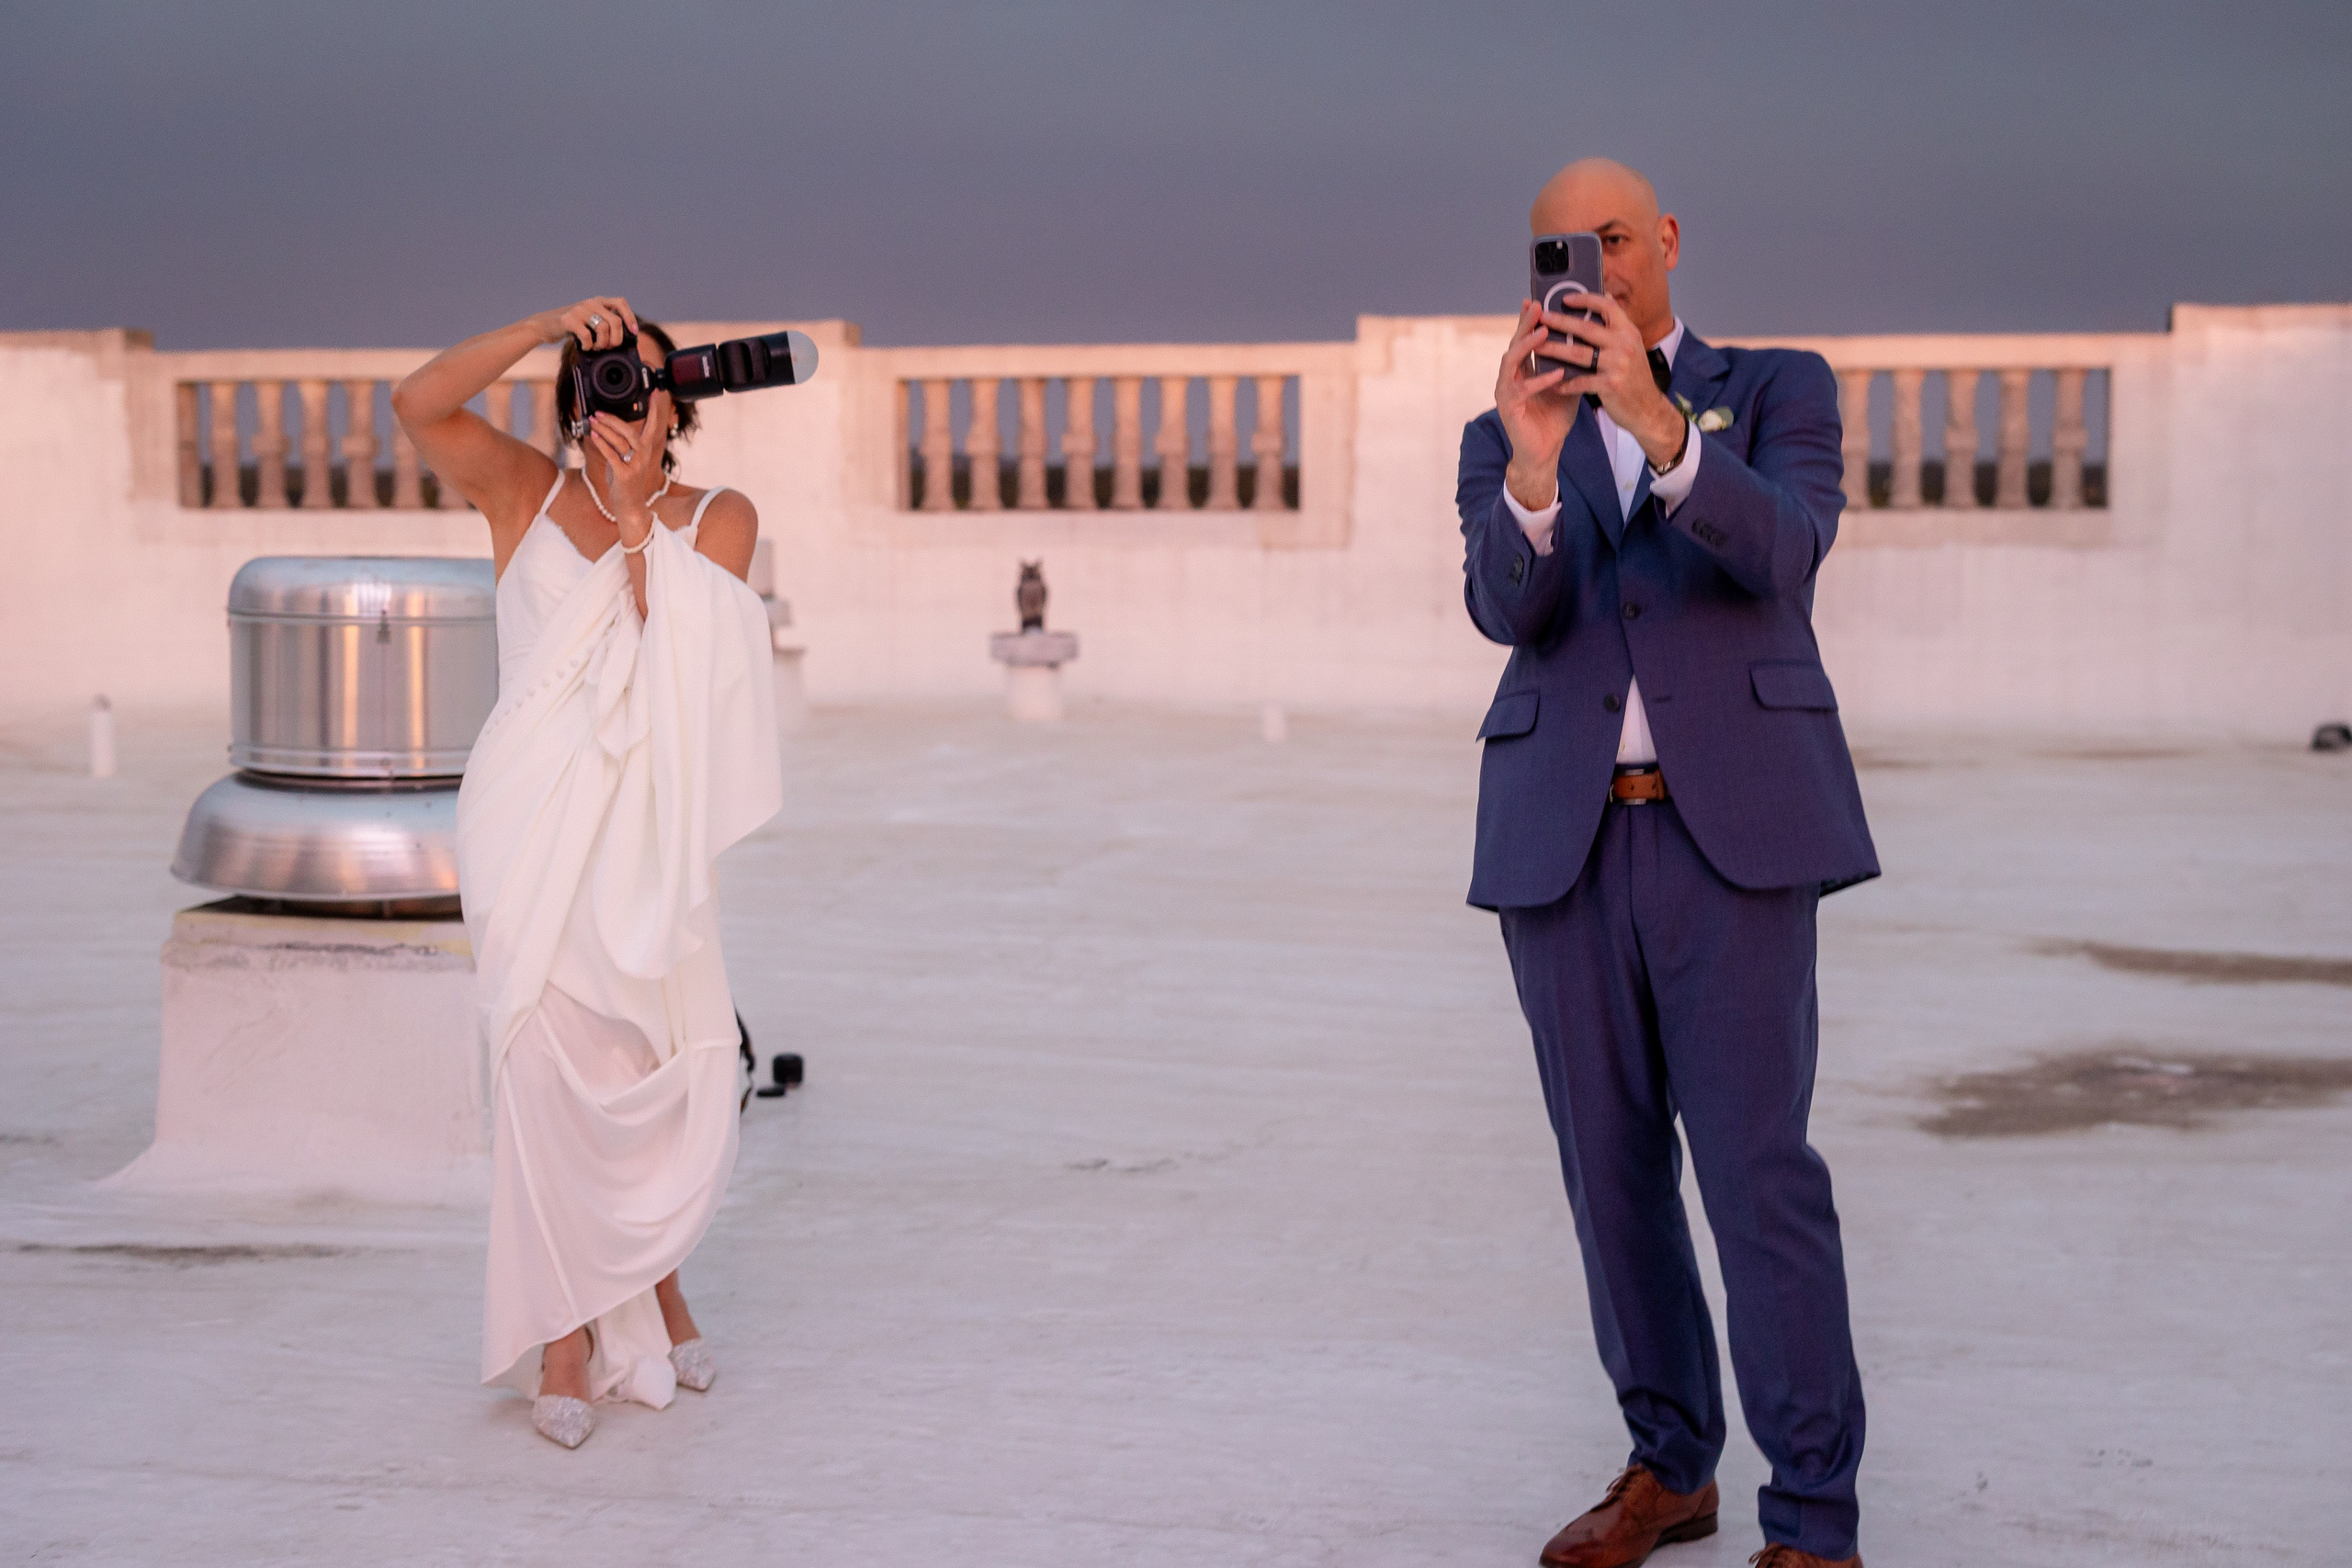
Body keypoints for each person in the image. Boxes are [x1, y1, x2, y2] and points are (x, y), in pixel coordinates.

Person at [1456, 161, 1877, 1567]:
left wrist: (1650, 413)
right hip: (1562, 846)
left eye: (1615, 238)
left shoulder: (1776, 387)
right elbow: (1508, 607)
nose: (1592, 266)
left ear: (1670, 242)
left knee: (1759, 1174)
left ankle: (1812, 1517)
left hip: (1733, 840)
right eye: (1560, 249)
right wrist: (1529, 459)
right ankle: (1670, 1463)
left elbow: (1785, 548)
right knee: (1610, 1171)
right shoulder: (1503, 429)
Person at [394, 298, 781, 1450]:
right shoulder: (520, 490)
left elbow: (680, 673)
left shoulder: (720, 518)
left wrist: (629, 522)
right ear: (576, 393)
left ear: (682, 403)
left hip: (641, 839)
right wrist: (540, 321)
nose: (628, 393)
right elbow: (415, 403)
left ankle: (654, 1282)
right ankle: (566, 1336)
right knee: (545, 1075)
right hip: (525, 827)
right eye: (604, 372)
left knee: (641, 1073)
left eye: (651, 379)